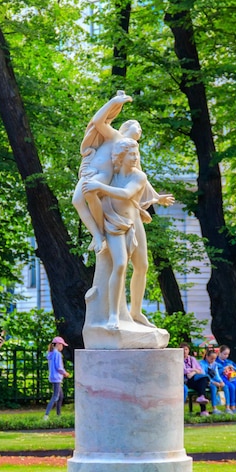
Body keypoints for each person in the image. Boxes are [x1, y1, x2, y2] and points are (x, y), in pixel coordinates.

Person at [83, 137, 173, 330]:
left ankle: (136, 312)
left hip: (134, 223)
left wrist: (100, 187)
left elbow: (126, 194)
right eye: (131, 154)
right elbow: (88, 190)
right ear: (121, 157)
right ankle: (114, 315)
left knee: (142, 266)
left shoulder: (138, 177)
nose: (135, 157)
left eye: (136, 154)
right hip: (114, 224)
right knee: (121, 264)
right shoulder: (110, 175)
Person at [74, 91, 174, 254]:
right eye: (138, 127)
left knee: (85, 196)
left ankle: (99, 235)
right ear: (126, 127)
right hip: (91, 172)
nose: (140, 131)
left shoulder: (132, 151)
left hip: (102, 176)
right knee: (76, 201)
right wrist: (114, 102)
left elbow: (140, 177)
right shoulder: (114, 135)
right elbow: (98, 121)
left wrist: (156, 197)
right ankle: (97, 234)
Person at [44, 336, 71, 421]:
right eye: (62, 345)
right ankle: (46, 415)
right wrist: (65, 373)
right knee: (55, 396)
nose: (62, 347)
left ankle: (58, 415)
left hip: (53, 377)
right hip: (57, 378)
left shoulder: (50, 353)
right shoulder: (57, 354)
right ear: (58, 344)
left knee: (60, 396)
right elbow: (59, 367)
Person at [180, 342, 210, 416]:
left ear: (189, 350)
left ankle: (203, 409)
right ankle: (203, 409)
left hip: (193, 379)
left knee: (202, 383)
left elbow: (200, 370)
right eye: (182, 350)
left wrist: (192, 372)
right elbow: (183, 371)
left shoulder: (192, 359)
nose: (184, 351)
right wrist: (193, 370)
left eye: (186, 349)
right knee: (203, 381)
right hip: (185, 381)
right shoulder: (179, 360)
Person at [199, 349, 230, 415]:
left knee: (225, 387)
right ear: (207, 357)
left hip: (214, 380)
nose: (213, 360)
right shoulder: (202, 363)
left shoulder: (215, 364)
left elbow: (217, 375)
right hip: (206, 381)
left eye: (214, 359)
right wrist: (213, 382)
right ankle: (214, 408)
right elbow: (204, 375)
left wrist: (221, 381)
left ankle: (227, 407)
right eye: (211, 358)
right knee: (213, 388)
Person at [215, 345, 236, 414]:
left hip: (231, 378)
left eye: (227, 354)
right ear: (219, 353)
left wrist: (233, 368)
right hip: (222, 378)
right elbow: (215, 372)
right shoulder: (216, 362)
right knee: (231, 387)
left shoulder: (229, 362)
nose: (226, 356)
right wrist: (223, 369)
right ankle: (232, 406)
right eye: (224, 354)